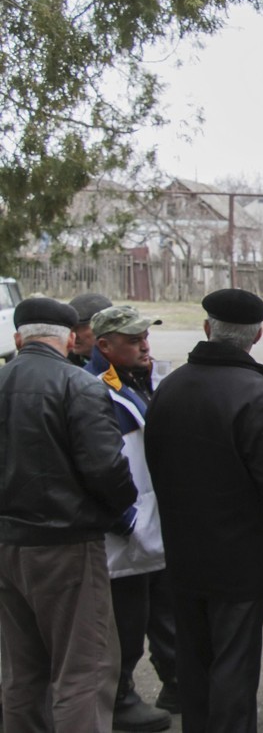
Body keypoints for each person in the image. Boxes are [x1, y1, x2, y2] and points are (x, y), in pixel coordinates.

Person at [144, 289, 263, 733]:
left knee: (194, 666)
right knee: (233, 665)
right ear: (257, 335)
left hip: (181, 551)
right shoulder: (258, 396)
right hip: (240, 559)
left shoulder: (170, 388)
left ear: (206, 328)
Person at [0, 297, 136, 732]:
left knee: (21, 672)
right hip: (67, 544)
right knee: (84, 669)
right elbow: (107, 470)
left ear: (19, 338)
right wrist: (115, 512)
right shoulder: (80, 386)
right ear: (74, 338)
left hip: (7, 545)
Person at [86, 305, 177, 731]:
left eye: (145, 336)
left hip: (153, 525)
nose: (144, 345)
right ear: (104, 346)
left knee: (162, 611)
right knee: (124, 622)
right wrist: (126, 521)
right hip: (125, 529)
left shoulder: (144, 379)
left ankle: (175, 681)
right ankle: (119, 696)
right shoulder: (96, 391)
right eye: (133, 339)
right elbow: (97, 467)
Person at [69, 291, 113, 366]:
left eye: (80, 328)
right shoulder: (62, 363)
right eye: (69, 327)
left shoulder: (127, 362)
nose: (73, 334)